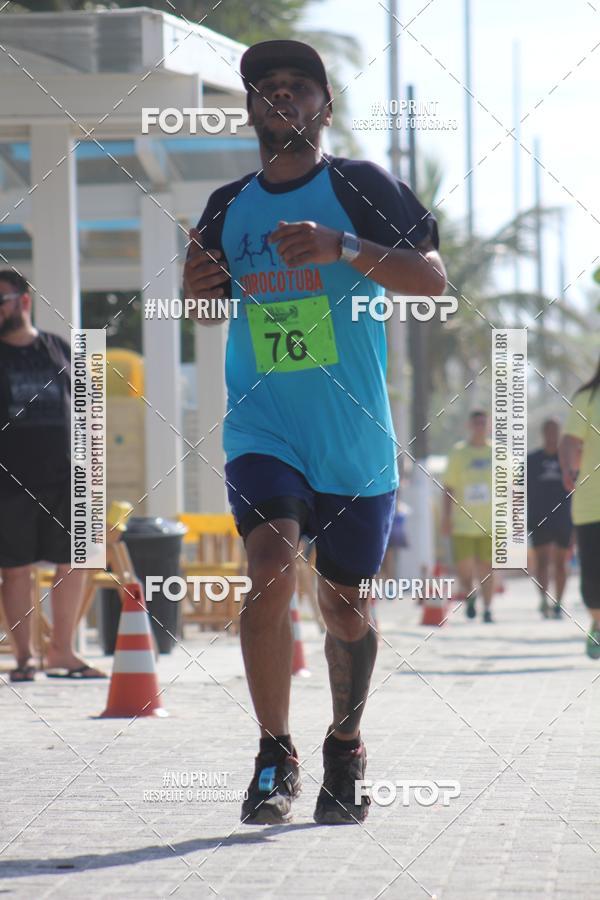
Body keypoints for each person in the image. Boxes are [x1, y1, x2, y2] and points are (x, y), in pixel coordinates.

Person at [183, 39, 446, 825]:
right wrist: (196, 288)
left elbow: (432, 281)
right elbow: (206, 304)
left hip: (354, 434)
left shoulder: (362, 187)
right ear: (253, 109)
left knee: (345, 607)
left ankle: (345, 743)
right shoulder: (228, 206)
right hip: (264, 425)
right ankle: (275, 755)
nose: (282, 97)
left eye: (299, 86)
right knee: (267, 565)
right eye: (267, 88)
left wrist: (343, 248)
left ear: (324, 107)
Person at [0, 271, 105, 682]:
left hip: (67, 478)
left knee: (76, 560)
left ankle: (62, 651)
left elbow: (87, 406)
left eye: (1, 300)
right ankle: (25, 656)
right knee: (16, 568)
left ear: (24, 302)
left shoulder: (58, 348)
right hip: (10, 480)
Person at [559, 355, 600, 659]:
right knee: (592, 574)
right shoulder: (587, 398)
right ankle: (598, 624)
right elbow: (570, 441)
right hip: (591, 504)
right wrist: (569, 470)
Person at [442, 410, 494, 622]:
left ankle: (488, 609)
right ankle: (470, 596)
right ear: (469, 426)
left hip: (491, 523)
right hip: (463, 523)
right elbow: (448, 487)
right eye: (476, 423)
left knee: (487, 568)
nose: (480, 427)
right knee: (464, 569)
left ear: (489, 426)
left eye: (483, 423)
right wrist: (446, 517)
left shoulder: (498, 452)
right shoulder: (458, 453)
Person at [527, 418, 573, 618]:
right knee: (542, 561)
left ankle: (559, 602)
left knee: (561, 563)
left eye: (556, 431)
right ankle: (543, 600)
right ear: (543, 433)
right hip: (539, 517)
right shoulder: (532, 460)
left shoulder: (568, 461)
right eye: (549, 431)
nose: (552, 435)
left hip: (564, 517)